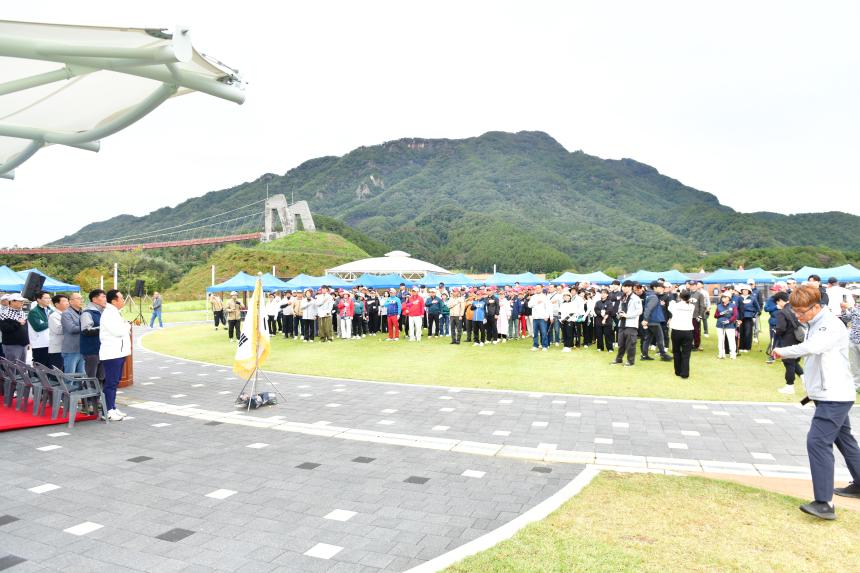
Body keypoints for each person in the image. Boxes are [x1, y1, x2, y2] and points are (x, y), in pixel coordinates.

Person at [772, 285, 860, 520]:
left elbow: (812, 348)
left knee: (817, 442)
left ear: (817, 306)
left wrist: (782, 351)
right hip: (829, 393)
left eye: (802, 311)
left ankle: (824, 503)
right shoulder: (814, 322)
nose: (799, 316)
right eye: (795, 311)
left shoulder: (828, 324)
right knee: (844, 439)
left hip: (834, 395)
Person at [99, 290, 130, 421]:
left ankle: (112, 407)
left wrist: (124, 326)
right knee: (110, 382)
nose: (124, 300)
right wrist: (127, 326)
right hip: (112, 353)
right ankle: (107, 410)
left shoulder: (115, 312)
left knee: (115, 381)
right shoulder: (109, 313)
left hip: (119, 352)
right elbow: (118, 331)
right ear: (114, 301)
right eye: (122, 298)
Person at [772, 291, 804, 395]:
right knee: (794, 361)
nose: (777, 304)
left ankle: (789, 386)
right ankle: (805, 380)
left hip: (788, 339)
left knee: (788, 362)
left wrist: (776, 332)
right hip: (798, 338)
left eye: (777, 302)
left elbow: (781, 328)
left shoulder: (782, 312)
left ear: (780, 301)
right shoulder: (795, 308)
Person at [611, 280, 641, 366]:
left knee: (631, 344)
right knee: (620, 343)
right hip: (622, 323)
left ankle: (630, 361)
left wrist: (628, 315)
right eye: (623, 286)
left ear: (630, 287)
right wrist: (619, 313)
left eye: (626, 286)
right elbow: (620, 308)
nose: (624, 288)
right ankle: (619, 359)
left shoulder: (636, 298)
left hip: (631, 324)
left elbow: (639, 311)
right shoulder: (623, 297)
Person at [641, 282, 672, 362]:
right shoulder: (654, 297)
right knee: (660, 338)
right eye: (660, 287)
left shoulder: (649, 295)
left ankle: (644, 355)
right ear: (655, 287)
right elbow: (648, 309)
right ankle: (663, 354)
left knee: (648, 339)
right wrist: (645, 319)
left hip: (650, 321)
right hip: (654, 321)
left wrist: (646, 319)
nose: (662, 289)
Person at [668, 291, 695, 379]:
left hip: (677, 330)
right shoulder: (691, 306)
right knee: (686, 353)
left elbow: (670, 305)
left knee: (676, 351)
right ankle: (685, 373)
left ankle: (678, 371)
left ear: (680, 296)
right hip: (688, 331)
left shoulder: (675, 305)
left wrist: (674, 294)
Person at [80, 289, 105, 383]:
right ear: (94, 299)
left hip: (101, 350)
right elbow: (86, 330)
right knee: (91, 378)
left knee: (100, 377)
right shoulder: (87, 313)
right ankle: (89, 398)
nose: (105, 299)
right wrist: (104, 328)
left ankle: (97, 397)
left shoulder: (102, 312)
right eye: (103, 297)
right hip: (91, 351)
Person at [61, 292, 86, 374]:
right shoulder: (66, 313)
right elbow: (71, 329)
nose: (81, 300)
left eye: (82, 298)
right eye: (78, 299)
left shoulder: (83, 312)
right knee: (70, 376)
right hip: (71, 350)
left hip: (82, 348)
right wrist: (86, 327)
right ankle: (68, 387)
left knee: (81, 375)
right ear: (70, 301)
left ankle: (80, 387)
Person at [0, 293, 29, 362]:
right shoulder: (4, 314)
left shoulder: (22, 312)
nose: (22, 303)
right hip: (12, 345)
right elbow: (5, 328)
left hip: (24, 345)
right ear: (12, 301)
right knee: (12, 368)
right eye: (20, 301)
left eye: (22, 301)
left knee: (22, 368)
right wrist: (18, 323)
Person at [27, 290, 52, 366]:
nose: (49, 300)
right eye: (46, 298)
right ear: (38, 299)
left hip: (51, 343)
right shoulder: (34, 312)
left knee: (50, 367)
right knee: (40, 367)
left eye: (49, 298)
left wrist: (47, 322)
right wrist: (51, 322)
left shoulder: (50, 310)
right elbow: (38, 327)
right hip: (39, 344)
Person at [713, 291, 738, 359]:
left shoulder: (733, 305)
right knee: (720, 339)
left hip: (730, 325)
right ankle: (721, 354)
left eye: (725, 297)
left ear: (729, 298)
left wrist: (729, 321)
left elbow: (735, 315)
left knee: (731, 339)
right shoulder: (719, 305)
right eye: (722, 297)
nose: (723, 298)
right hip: (720, 324)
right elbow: (715, 316)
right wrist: (720, 314)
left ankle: (733, 354)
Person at [841, 301, 860, 392]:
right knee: (854, 365)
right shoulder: (857, 307)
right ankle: (856, 386)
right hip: (854, 340)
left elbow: (857, 315)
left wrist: (849, 308)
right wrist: (844, 310)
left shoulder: (854, 309)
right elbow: (847, 319)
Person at [47, 294, 68, 371]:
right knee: (57, 371)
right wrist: (70, 326)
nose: (67, 303)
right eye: (64, 301)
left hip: (65, 347)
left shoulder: (66, 314)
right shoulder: (54, 316)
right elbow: (58, 330)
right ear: (56, 304)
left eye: (67, 301)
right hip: (57, 349)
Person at [528, 286, 552, 351]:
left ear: (541, 289)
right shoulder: (533, 297)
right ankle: (535, 345)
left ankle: (545, 346)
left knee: (544, 332)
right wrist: (536, 303)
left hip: (542, 317)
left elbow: (548, 307)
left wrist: (547, 316)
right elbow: (529, 305)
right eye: (536, 288)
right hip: (535, 317)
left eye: (538, 288)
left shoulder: (545, 297)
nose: (537, 289)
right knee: (535, 333)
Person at [737, 285, 761, 352]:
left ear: (749, 291)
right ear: (741, 291)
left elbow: (758, 309)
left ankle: (747, 347)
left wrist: (753, 315)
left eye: (746, 290)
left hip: (749, 317)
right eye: (743, 290)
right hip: (740, 318)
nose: (745, 291)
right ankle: (741, 347)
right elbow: (736, 308)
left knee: (748, 332)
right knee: (741, 332)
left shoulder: (752, 298)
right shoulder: (739, 298)